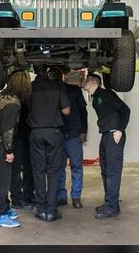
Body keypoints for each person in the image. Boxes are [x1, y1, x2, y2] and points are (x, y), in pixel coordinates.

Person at [0, 71, 32, 228]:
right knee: (2, 180)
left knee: (2, 177)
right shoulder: (14, 103)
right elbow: (7, 129)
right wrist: (9, 151)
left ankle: (7, 208)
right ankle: (1, 215)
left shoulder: (3, 95)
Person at [83, 73, 130, 219]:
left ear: (92, 82)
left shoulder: (106, 94)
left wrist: (120, 130)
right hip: (105, 135)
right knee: (105, 171)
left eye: (86, 81)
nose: (84, 83)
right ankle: (110, 203)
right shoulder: (96, 96)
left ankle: (112, 208)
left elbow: (125, 110)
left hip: (113, 135)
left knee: (112, 171)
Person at [28, 66, 70, 222]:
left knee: (38, 172)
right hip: (54, 133)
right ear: (47, 72)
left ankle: (40, 209)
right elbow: (66, 111)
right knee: (54, 172)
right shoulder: (56, 87)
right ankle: (51, 211)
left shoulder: (30, 88)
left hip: (36, 133)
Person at [56, 76, 88, 209]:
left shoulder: (74, 90)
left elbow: (83, 112)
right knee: (59, 168)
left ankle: (76, 197)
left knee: (76, 167)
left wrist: (84, 131)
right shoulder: (52, 91)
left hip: (74, 134)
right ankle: (61, 197)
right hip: (57, 135)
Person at [9, 93, 35, 212]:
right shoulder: (16, 99)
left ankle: (25, 196)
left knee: (25, 168)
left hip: (25, 136)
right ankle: (18, 199)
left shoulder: (20, 98)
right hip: (19, 137)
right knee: (18, 168)